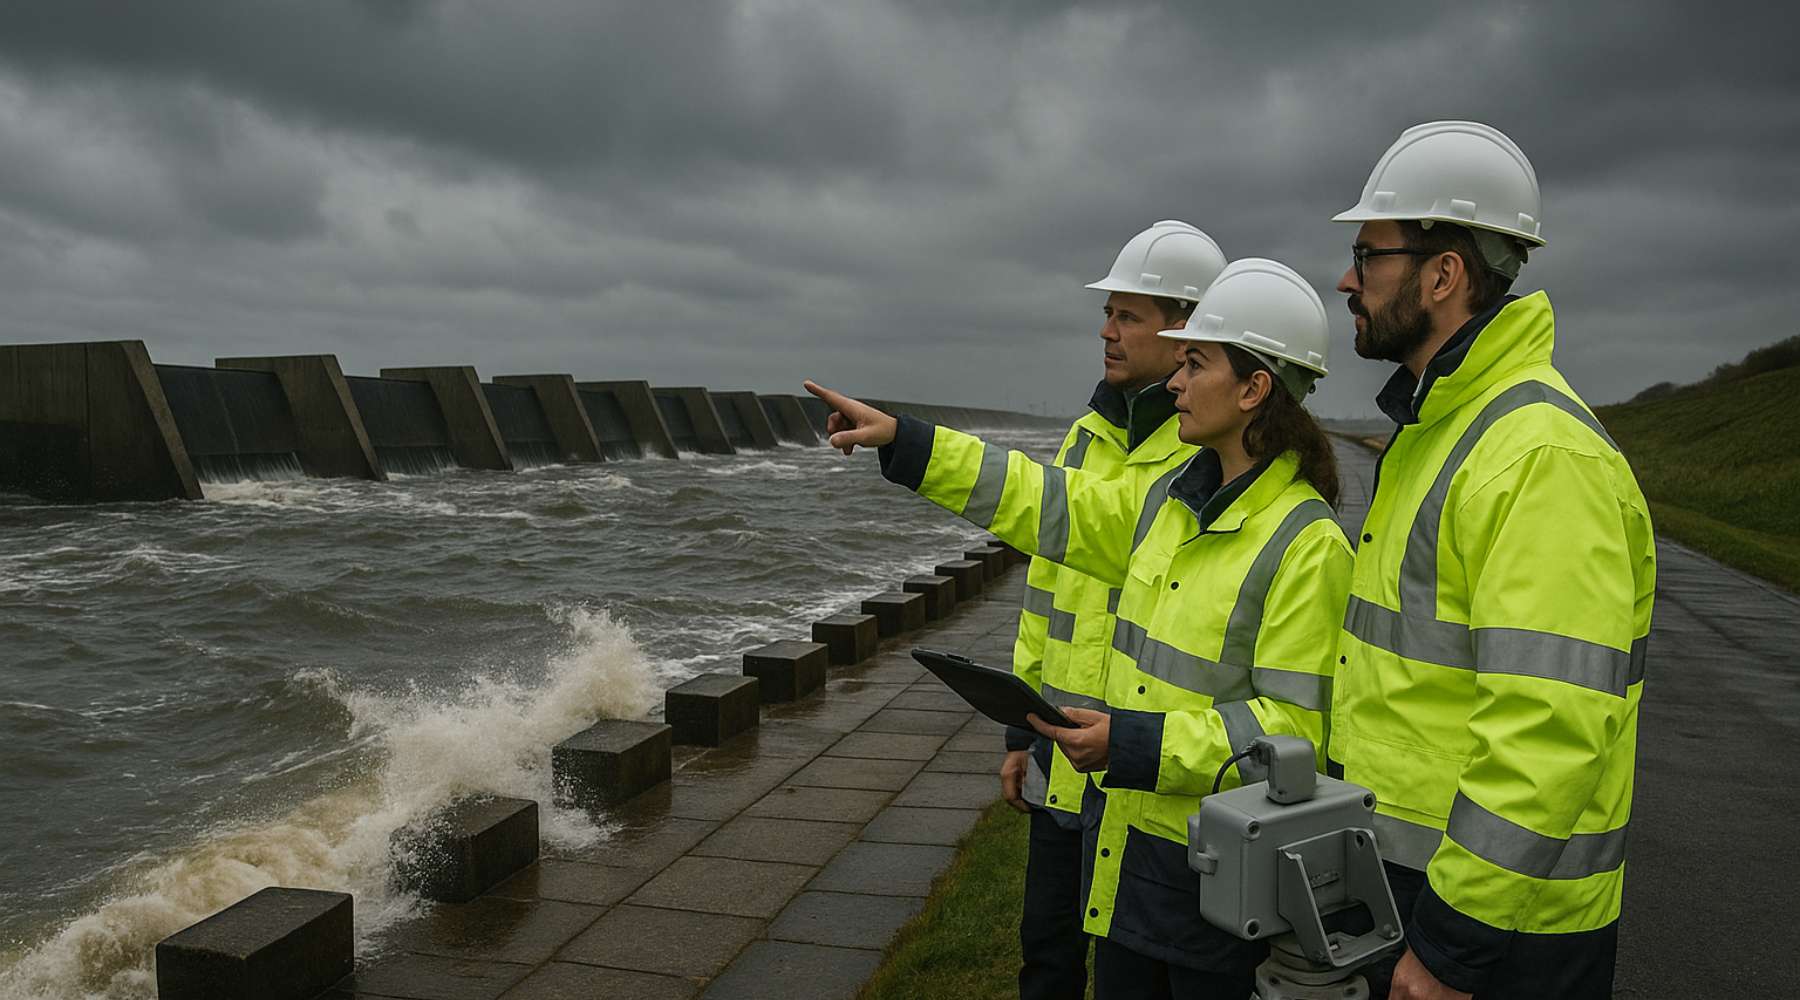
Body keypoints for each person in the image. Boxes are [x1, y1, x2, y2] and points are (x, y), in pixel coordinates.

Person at [805, 257, 1352, 999]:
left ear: (1254, 389)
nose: (1177, 383)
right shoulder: (1171, 506)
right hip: (1132, 851)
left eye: (1195, 363)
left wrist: (1131, 743)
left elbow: (1294, 730)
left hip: (1219, 874)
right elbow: (1044, 502)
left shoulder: (1308, 544)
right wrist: (907, 442)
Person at [1328, 121, 1654, 999]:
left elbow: (1548, 727)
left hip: (1503, 930)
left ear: (1443, 275)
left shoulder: (1539, 456)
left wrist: (1455, 944)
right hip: (1415, 886)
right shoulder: (1440, 431)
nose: (1347, 281)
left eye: (1367, 255)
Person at [1002, 221, 1220, 1000]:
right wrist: (1018, 731)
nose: (1108, 331)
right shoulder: (1086, 436)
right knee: (1047, 953)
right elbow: (1044, 595)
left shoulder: (1207, 455)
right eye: (1109, 314)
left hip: (1139, 772)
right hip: (1060, 755)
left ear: (1187, 329)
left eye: (1129, 316)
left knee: (1131, 973)